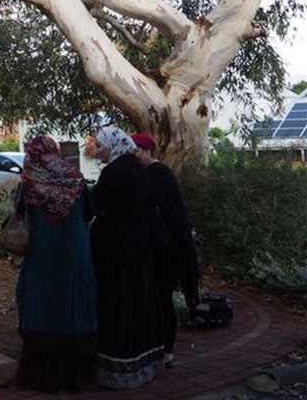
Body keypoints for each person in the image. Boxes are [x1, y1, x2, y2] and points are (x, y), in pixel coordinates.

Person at [15, 136, 97, 393]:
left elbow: (18, 213)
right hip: (74, 254)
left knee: (42, 303)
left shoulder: (29, 182)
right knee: (72, 304)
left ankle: (40, 376)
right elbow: (89, 212)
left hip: (43, 253)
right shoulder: (74, 177)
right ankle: (77, 375)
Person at [91, 127, 164, 389]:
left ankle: (119, 371)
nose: (97, 151)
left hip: (117, 252)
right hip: (139, 249)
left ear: (113, 145)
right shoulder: (137, 168)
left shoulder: (114, 172)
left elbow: (96, 204)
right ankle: (145, 365)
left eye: (100, 146)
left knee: (119, 307)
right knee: (139, 303)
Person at [132, 133, 200, 368]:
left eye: (137, 150)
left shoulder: (160, 174)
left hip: (166, 248)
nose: (134, 155)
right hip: (155, 246)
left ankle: (167, 349)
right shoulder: (145, 173)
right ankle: (155, 346)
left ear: (147, 150)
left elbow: (168, 213)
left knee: (162, 298)